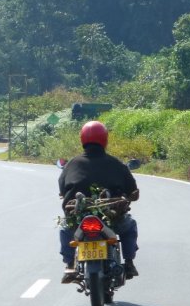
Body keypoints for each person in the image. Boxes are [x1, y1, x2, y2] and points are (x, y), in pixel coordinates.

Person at [58, 120, 140, 283]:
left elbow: (62, 188)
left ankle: (69, 264)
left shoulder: (72, 164)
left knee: (65, 229)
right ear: (104, 139)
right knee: (129, 227)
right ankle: (129, 263)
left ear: (83, 139)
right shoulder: (117, 164)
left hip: (78, 219)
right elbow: (133, 191)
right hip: (112, 219)